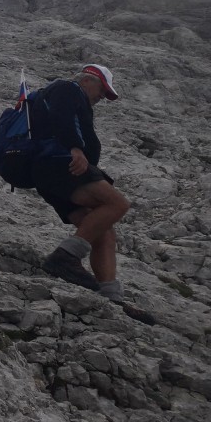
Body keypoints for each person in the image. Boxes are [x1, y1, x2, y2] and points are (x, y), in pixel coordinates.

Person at [30, 64, 155, 324]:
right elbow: (62, 119)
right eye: (102, 90)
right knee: (117, 203)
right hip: (62, 165)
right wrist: (75, 148)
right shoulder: (67, 88)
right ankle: (65, 257)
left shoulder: (72, 95)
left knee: (103, 230)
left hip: (54, 172)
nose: (102, 97)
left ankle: (110, 296)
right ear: (88, 80)